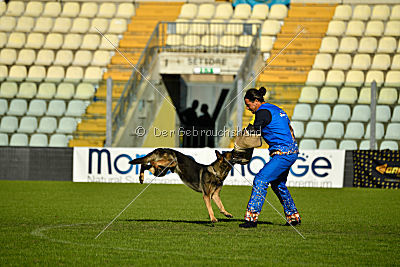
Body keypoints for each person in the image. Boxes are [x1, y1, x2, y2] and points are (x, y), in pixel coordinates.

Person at [238, 87, 301, 228]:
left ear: (256, 101)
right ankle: (293, 216)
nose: (248, 108)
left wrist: (240, 143)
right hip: (291, 151)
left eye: (248, 105)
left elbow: (253, 133)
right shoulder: (275, 109)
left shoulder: (262, 112)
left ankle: (251, 219)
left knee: (261, 179)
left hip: (282, 153)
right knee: (278, 185)